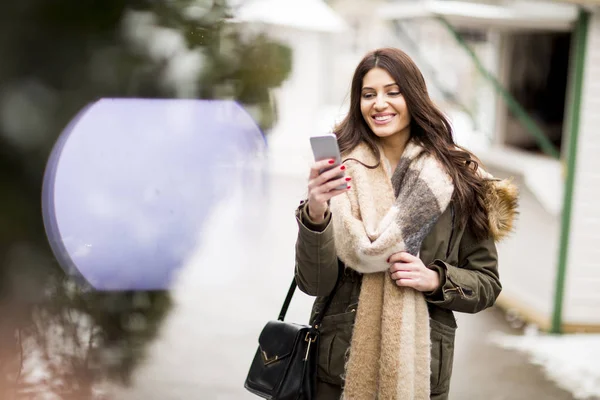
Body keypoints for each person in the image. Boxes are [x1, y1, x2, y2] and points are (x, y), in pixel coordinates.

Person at [294, 47, 518, 400]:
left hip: (420, 373)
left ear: (413, 96)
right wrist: (318, 211)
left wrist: (435, 279)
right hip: (339, 371)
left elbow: (487, 285)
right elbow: (315, 282)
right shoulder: (343, 171)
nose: (379, 103)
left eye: (392, 91)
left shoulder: (457, 180)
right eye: (368, 94)